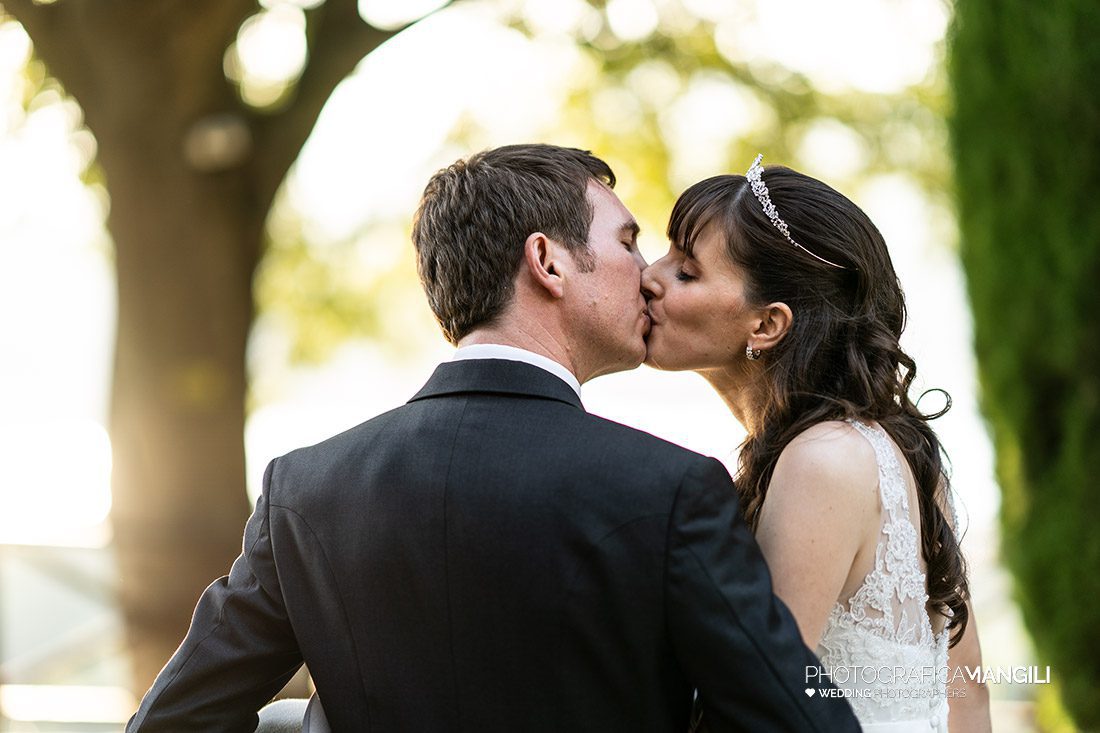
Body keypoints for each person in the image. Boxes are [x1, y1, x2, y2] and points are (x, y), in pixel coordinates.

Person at [126, 144, 859, 731]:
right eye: (631, 242)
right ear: (548, 262)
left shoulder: (307, 488)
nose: (650, 276)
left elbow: (176, 720)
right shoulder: (670, 490)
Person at [641, 155, 993, 732]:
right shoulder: (895, 452)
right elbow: (967, 694)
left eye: (686, 272)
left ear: (767, 325)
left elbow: (757, 709)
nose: (648, 277)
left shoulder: (821, 462)